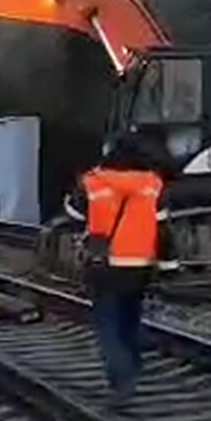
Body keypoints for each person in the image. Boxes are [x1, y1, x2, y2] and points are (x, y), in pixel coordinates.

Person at [67, 131, 173, 405]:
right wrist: (169, 264)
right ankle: (133, 367)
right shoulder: (152, 184)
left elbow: (72, 213)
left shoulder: (93, 182)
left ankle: (121, 378)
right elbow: (162, 229)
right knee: (129, 319)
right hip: (139, 268)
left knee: (107, 324)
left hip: (104, 266)